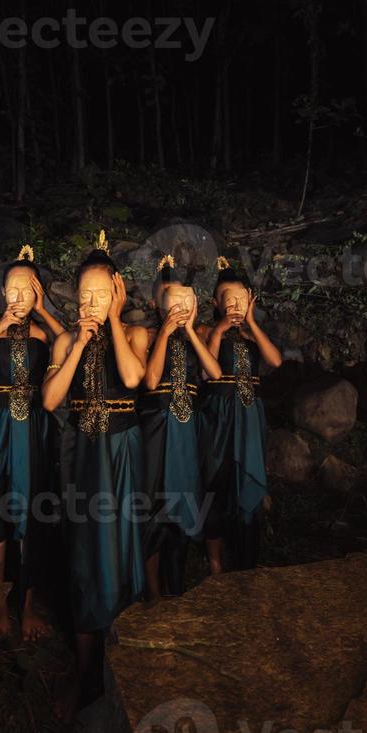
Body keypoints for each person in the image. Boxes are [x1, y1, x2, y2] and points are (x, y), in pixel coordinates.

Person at [42, 231, 149, 723]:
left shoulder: (136, 334)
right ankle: (86, 673)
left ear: (117, 294)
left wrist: (111, 322)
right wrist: (80, 340)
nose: (90, 302)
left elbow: (131, 380)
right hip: (82, 454)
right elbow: (49, 400)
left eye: (101, 294)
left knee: (123, 545)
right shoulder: (64, 339)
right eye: (84, 294)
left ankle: (124, 663)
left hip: (122, 452)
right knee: (84, 550)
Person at [0, 244, 65, 641]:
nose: (19, 297)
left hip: (33, 429)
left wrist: (40, 311)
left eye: (28, 290)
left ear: (37, 292)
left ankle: (26, 605)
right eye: (13, 290)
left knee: (31, 514)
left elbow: (68, 340)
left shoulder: (42, 331)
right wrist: (1, 325)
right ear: (3, 292)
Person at [139, 254, 222, 599]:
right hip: (156, 426)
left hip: (187, 430)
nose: (178, 310)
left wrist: (188, 331)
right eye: (171, 304)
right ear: (159, 306)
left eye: (185, 304)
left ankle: (178, 584)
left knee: (186, 500)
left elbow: (214, 375)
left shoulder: (199, 335)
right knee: (154, 504)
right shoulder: (146, 335)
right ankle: (153, 589)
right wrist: (166, 334)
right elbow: (150, 380)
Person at [200, 256, 282, 574]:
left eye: (241, 298)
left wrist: (252, 322)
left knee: (248, 476)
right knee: (217, 481)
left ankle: (248, 558)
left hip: (250, 413)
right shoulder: (208, 330)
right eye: (227, 299)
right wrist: (220, 330)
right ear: (216, 303)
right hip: (220, 412)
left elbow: (275, 361)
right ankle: (215, 560)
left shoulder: (252, 335)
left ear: (249, 300)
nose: (234, 304)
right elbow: (207, 374)